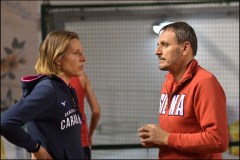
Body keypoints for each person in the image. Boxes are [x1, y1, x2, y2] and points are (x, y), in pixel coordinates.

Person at [138, 22, 228, 159]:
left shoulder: (205, 83)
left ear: (185, 48)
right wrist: (158, 139)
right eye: (158, 45)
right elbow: (179, 133)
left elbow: (217, 140)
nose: (157, 51)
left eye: (165, 45)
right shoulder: (168, 82)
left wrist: (167, 138)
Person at [1, 30, 86, 159]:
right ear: (58, 59)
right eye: (76, 53)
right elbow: (5, 122)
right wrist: (36, 148)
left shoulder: (68, 89)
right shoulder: (48, 90)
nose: (83, 58)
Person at [70, 71, 101, 160]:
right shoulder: (81, 76)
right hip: (82, 143)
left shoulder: (50, 77)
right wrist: (89, 135)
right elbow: (96, 111)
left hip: (58, 146)